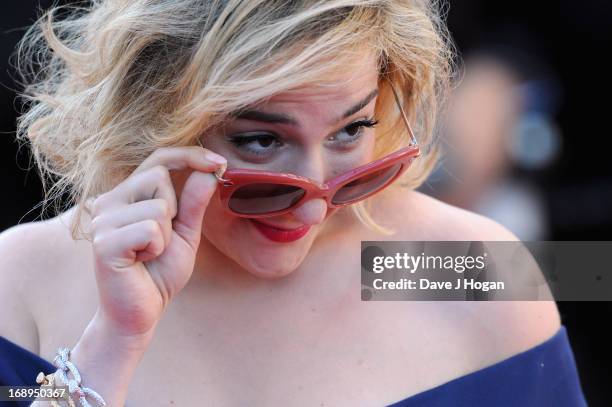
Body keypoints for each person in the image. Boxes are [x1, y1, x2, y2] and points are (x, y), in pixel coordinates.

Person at [0, 1, 585, 406]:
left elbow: (583, 277)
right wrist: (113, 343)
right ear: (153, 117)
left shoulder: (473, 268)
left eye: (350, 130)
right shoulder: (20, 279)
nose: (312, 202)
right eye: (260, 140)